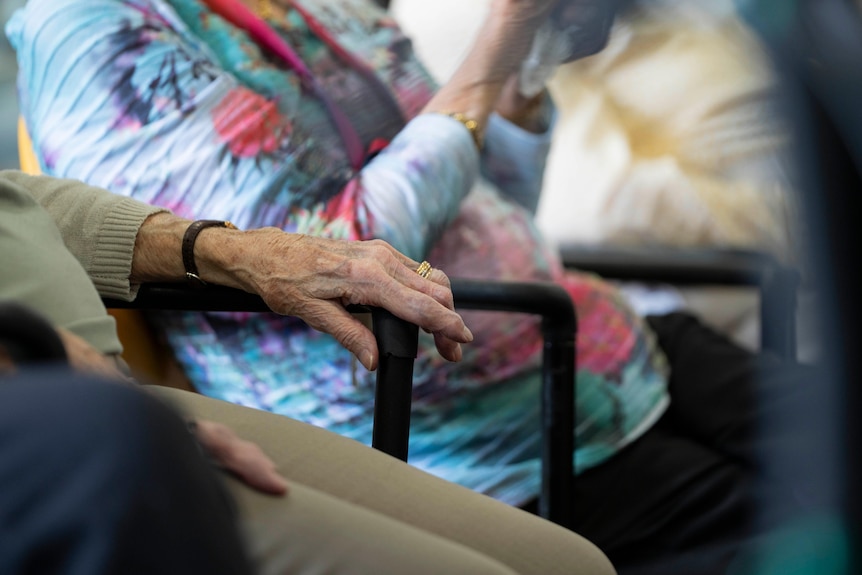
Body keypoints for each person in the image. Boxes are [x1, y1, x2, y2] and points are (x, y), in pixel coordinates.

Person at [4, 1, 814, 572]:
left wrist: (520, 81)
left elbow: (491, 207)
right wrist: (493, 47)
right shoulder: (91, 31)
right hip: (479, 430)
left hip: (599, 345)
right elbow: (336, 260)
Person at [0, 169, 615, 575]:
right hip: (47, 412)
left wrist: (232, 249)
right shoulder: (95, 35)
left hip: (103, 392)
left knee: (571, 566)